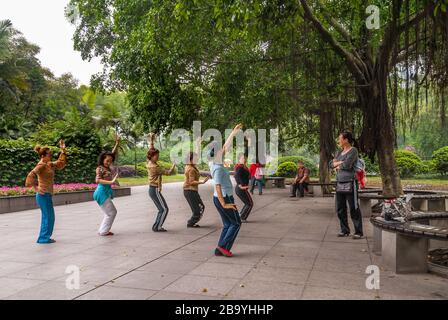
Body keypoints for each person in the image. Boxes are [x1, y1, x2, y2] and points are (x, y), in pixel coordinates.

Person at [209, 124, 243, 257]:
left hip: (221, 196)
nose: (223, 150)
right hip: (223, 198)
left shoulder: (214, 160)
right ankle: (224, 247)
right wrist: (224, 203)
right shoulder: (217, 167)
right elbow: (217, 185)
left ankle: (220, 248)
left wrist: (233, 133)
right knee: (236, 223)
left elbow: (225, 147)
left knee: (228, 223)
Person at [25, 139, 67, 244]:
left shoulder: (49, 164)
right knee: (48, 217)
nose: (51, 155)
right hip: (43, 195)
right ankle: (43, 238)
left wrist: (63, 150)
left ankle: (45, 237)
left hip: (47, 195)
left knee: (49, 217)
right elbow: (31, 175)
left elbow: (61, 163)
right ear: (43, 155)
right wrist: (35, 187)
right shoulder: (41, 165)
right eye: (49, 154)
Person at [330, 131, 364, 239]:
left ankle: (358, 231)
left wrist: (338, 163)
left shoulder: (353, 150)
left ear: (346, 140)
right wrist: (338, 163)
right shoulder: (339, 152)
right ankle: (344, 230)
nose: (339, 140)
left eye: (340, 138)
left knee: (353, 207)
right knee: (340, 208)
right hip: (339, 182)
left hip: (350, 182)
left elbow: (347, 165)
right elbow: (331, 164)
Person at [147, 133, 176, 232]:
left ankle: (156, 226)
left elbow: (151, 149)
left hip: (152, 189)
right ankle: (158, 227)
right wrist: (173, 165)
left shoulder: (149, 162)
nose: (158, 157)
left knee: (161, 209)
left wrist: (151, 140)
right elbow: (168, 173)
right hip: (154, 189)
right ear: (151, 156)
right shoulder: (155, 167)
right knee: (164, 209)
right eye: (156, 156)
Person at [93, 134, 120, 236]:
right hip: (101, 192)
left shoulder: (107, 167)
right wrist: (111, 181)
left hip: (103, 192)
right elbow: (98, 180)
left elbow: (112, 154)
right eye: (107, 160)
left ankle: (102, 230)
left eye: (110, 161)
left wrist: (117, 143)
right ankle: (104, 231)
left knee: (109, 213)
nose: (109, 162)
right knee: (112, 212)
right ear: (102, 159)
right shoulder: (99, 168)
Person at [183, 152, 209, 228]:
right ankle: (191, 223)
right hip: (190, 191)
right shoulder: (191, 168)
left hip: (191, 191)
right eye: (195, 158)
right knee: (198, 209)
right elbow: (191, 181)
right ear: (191, 160)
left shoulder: (190, 166)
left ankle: (192, 222)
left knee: (200, 207)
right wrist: (202, 182)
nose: (197, 160)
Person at [234, 153, 253, 222]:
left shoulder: (242, 166)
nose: (244, 159)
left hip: (241, 188)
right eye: (242, 158)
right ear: (239, 159)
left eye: (245, 158)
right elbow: (236, 176)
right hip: (241, 189)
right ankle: (242, 217)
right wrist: (241, 185)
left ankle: (241, 216)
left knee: (247, 203)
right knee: (250, 203)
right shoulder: (239, 167)